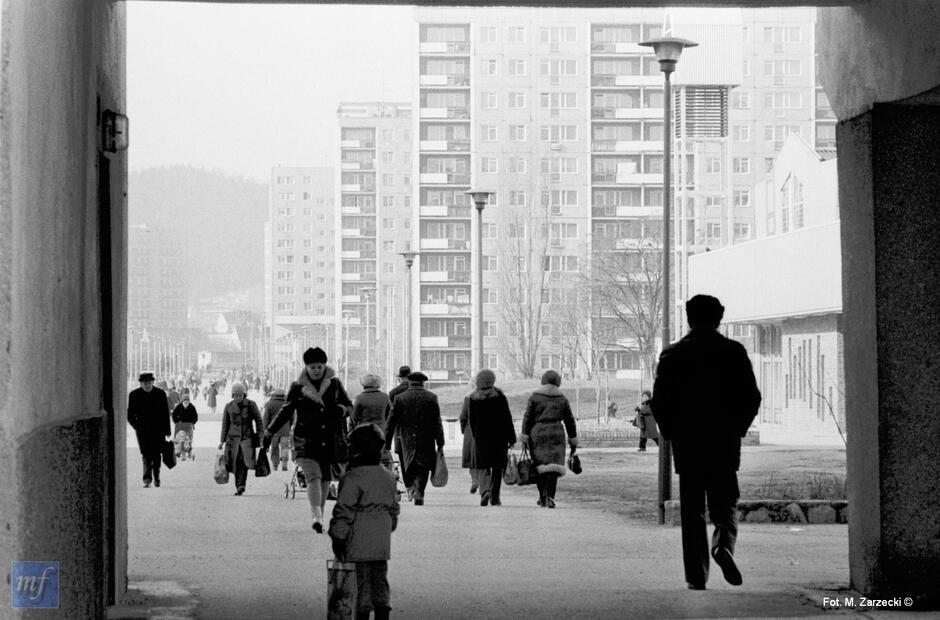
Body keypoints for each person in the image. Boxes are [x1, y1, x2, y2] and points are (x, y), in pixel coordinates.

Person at [650, 294, 762, 591]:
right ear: (719, 318)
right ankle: (723, 542)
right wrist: (736, 428)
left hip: (688, 445)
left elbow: (659, 402)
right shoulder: (733, 352)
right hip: (723, 442)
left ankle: (696, 575)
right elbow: (752, 398)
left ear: (689, 318)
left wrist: (673, 432)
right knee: (725, 502)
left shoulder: (673, 355)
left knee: (692, 510)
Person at [264, 346, 353, 532]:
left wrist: (342, 410)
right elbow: (285, 411)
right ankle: (317, 516)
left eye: (319, 366)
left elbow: (349, 406)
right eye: (312, 367)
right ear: (306, 367)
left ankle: (319, 514)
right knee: (313, 476)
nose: (316, 370)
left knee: (325, 480)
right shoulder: (298, 387)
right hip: (305, 440)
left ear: (324, 366)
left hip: (329, 439)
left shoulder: (334, 384)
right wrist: (270, 431)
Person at [329, 424, 400, 620]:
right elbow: (393, 508)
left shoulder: (352, 478)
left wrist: (338, 536)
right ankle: (383, 611)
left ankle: (362, 614)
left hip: (357, 539)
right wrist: (388, 526)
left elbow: (344, 510)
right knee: (380, 578)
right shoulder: (388, 476)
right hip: (381, 539)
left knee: (360, 583)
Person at [383, 371, 444, 506]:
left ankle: (411, 487)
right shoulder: (431, 397)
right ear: (423, 383)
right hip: (426, 438)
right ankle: (419, 491)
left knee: (407, 465)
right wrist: (440, 441)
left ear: (410, 382)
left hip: (405, 438)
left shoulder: (400, 398)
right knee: (423, 466)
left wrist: (387, 443)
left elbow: (391, 422)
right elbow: (437, 421)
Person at [520, 370, 578, 509]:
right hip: (556, 433)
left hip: (537, 434)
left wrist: (524, 437)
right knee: (553, 467)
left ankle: (542, 496)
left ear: (543, 380)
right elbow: (570, 420)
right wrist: (573, 438)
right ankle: (549, 496)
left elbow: (527, 418)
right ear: (558, 382)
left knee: (540, 466)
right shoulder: (562, 399)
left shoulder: (534, 397)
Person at [460, 369, 516, 506]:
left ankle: (485, 491)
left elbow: (471, 421)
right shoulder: (500, 396)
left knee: (482, 466)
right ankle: (495, 497)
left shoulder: (473, 398)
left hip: (481, 437)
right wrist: (511, 437)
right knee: (497, 467)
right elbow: (507, 418)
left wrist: (474, 436)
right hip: (499, 438)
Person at [217, 382, 264, 496]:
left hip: (247, 438)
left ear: (244, 394)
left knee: (245, 462)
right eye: (236, 395)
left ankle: (241, 484)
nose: (238, 397)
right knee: (235, 463)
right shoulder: (228, 407)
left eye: (240, 395)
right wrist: (222, 441)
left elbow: (259, 421)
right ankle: (239, 485)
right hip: (232, 440)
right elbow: (225, 424)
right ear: (232, 395)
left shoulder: (251, 405)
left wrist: (261, 437)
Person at [127, 371, 171, 488]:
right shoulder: (134, 395)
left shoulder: (160, 394)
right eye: (145, 383)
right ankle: (147, 479)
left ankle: (156, 477)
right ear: (141, 383)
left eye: (149, 383)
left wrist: (167, 431)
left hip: (158, 430)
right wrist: (136, 426)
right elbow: (130, 414)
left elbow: (165, 414)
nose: (147, 385)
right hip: (142, 431)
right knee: (146, 454)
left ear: (152, 382)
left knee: (157, 455)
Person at [261, 388, 291, 471]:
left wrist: (265, 429)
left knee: (274, 447)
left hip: (274, 430)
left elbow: (266, 419)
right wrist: (290, 426)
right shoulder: (288, 403)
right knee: (285, 447)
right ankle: (284, 463)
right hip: (285, 430)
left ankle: (275, 465)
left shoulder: (270, 404)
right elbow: (292, 417)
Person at [171, 390, 199, 460]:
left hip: (189, 425)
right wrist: (176, 421)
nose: (186, 403)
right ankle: (182, 454)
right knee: (180, 439)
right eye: (185, 402)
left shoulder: (192, 407)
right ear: (182, 401)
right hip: (179, 426)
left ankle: (189, 452)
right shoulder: (179, 407)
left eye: (187, 402)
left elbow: (195, 416)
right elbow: (174, 415)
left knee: (188, 439)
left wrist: (193, 422)